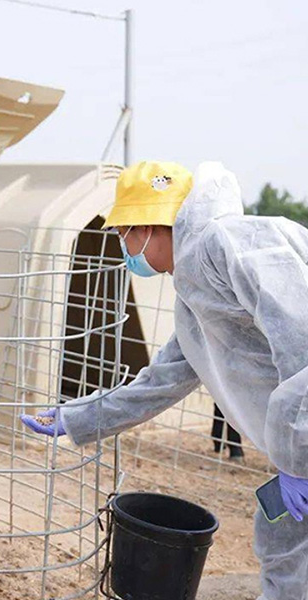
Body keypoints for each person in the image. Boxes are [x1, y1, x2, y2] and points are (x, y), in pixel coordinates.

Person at [21, 161, 308, 600]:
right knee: (282, 544)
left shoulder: (233, 243)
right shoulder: (192, 292)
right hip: (299, 455)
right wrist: (78, 416)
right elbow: (163, 381)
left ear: (151, 226)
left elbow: (301, 343)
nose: (124, 249)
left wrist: (297, 450)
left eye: (124, 235)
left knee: (287, 544)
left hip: (301, 444)